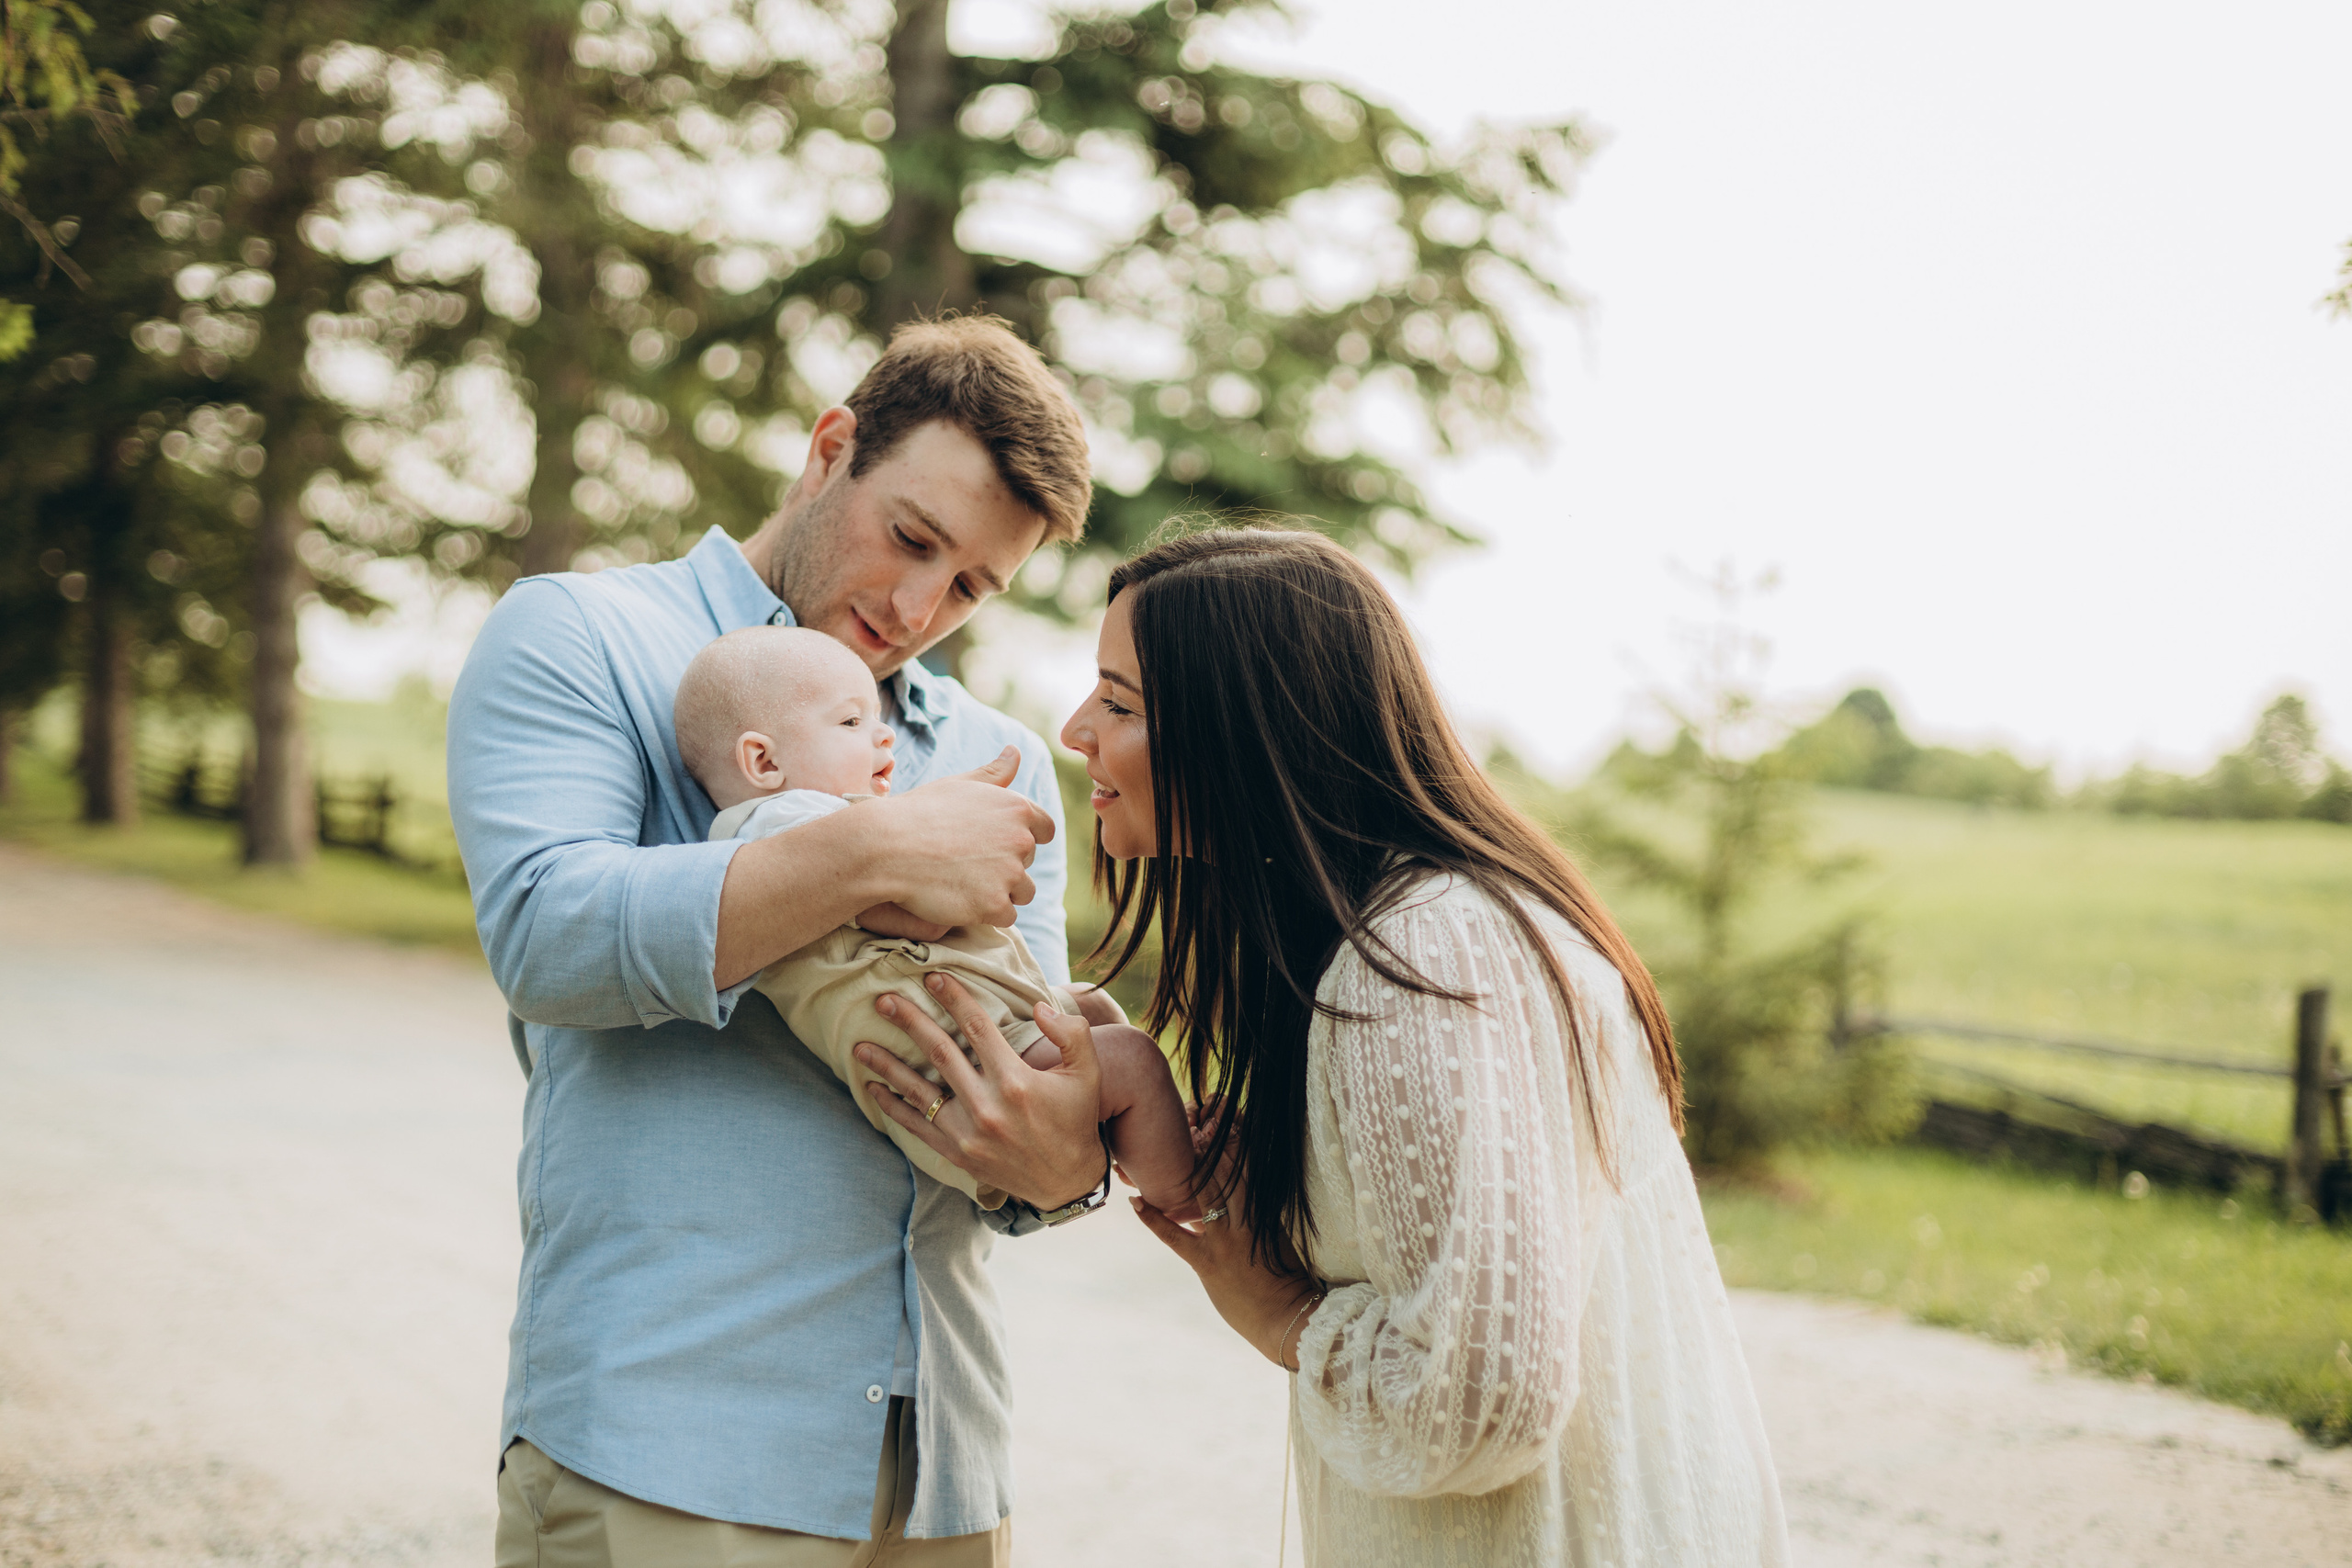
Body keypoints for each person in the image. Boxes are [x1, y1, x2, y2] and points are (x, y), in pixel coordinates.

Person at [858, 525, 1791, 1566]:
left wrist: (1280, 1313)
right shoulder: (1412, 937)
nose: (1076, 729)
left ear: (1244, 732)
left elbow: (1484, 1403)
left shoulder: (1419, 957)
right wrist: (1247, 1171)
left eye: (1120, 703)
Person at [449, 316, 1117, 1567]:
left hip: (943, 1470)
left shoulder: (1005, 759)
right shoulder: (581, 635)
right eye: (911, 538)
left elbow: (1034, 1099)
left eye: (970, 587)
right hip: (671, 1448)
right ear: (829, 449)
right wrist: (874, 851)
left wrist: (1063, 1163)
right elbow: (546, 935)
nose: (917, 607)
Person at [672, 622, 1201, 1217]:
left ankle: (1154, 1144)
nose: (882, 737)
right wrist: (956, 844)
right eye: (851, 722)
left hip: (987, 1024)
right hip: (962, 1072)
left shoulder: (829, 819)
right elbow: (914, 914)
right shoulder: (776, 825)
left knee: (1096, 1005)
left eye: (878, 720)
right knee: (1134, 1059)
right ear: (763, 760)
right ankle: (1191, 1198)